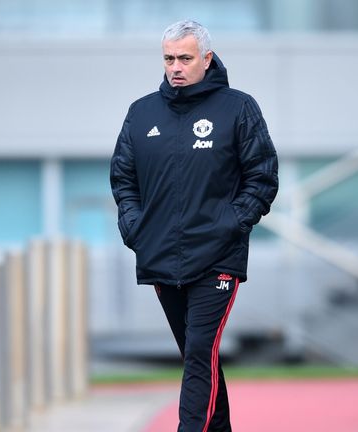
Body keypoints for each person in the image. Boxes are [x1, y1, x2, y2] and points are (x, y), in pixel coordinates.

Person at [110, 19, 278, 432]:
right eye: (169, 58)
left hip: (217, 256)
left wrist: (230, 224)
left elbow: (263, 177)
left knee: (200, 353)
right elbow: (123, 179)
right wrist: (136, 228)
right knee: (198, 356)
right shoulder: (141, 112)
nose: (176, 67)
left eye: (185, 58)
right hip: (161, 255)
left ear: (207, 58)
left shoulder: (238, 108)